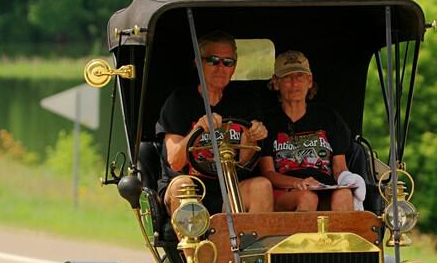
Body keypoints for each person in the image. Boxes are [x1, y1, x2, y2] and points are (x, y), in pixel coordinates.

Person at [156, 30, 273, 217]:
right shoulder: (179, 101)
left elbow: (243, 161)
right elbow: (175, 161)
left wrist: (252, 137)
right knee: (183, 186)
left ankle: (253, 245)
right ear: (198, 63)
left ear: (234, 67)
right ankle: (193, 246)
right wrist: (198, 129)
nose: (221, 68)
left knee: (262, 185)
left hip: (231, 187)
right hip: (192, 186)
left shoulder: (245, 101)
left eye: (228, 62)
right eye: (213, 60)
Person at [259, 50, 365, 212]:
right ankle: (303, 239)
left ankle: (341, 238)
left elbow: (339, 167)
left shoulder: (328, 117)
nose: (294, 83)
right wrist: (297, 183)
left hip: (323, 187)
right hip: (286, 192)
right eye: (287, 77)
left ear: (309, 81)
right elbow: (268, 173)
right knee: (307, 197)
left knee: (343, 194)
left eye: (300, 76)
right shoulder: (267, 121)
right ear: (275, 82)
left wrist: (349, 180)